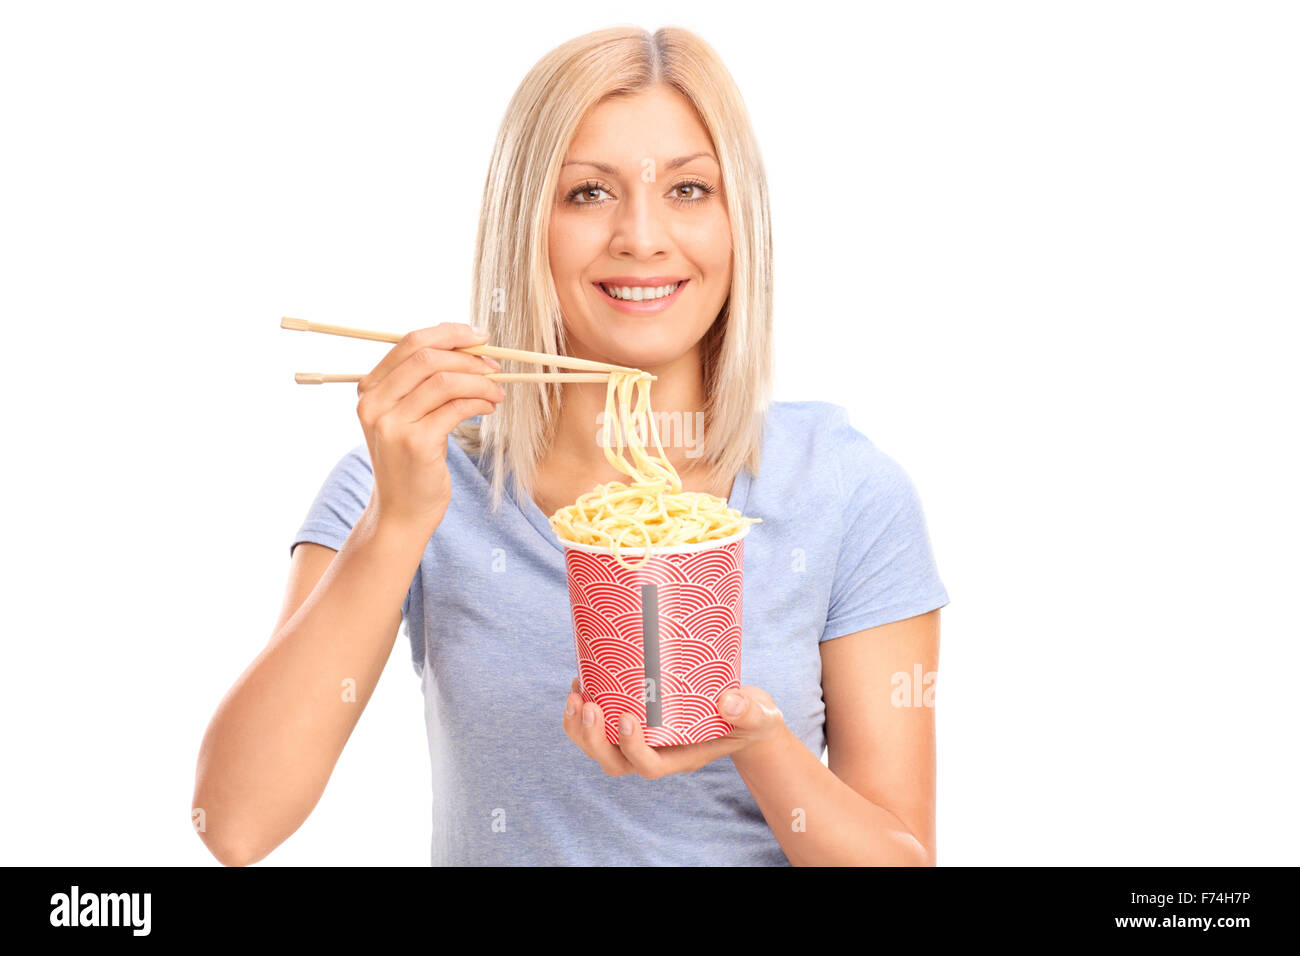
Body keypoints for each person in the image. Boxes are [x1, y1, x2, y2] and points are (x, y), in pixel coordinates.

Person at [193, 25, 949, 866]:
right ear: (528, 225)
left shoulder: (843, 488)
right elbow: (234, 823)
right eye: (588, 193)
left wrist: (757, 741)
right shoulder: (412, 473)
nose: (642, 236)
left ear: (742, 223)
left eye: (691, 190)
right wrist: (398, 521)